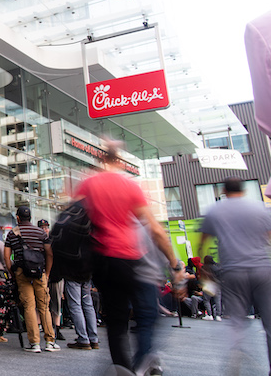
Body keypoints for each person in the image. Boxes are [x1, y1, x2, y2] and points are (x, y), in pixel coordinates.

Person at [75, 140, 181, 374]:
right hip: (128, 257)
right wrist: (174, 264)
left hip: (101, 260)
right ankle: (141, 362)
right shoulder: (129, 186)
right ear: (119, 161)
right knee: (147, 313)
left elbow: (74, 218)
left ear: (101, 159)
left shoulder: (89, 184)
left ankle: (121, 368)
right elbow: (154, 229)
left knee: (116, 320)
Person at [199, 177, 271, 373]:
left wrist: (204, 268)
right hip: (261, 269)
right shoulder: (259, 208)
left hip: (233, 271)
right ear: (244, 190)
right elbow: (269, 237)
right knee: (269, 320)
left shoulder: (215, 210)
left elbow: (203, 241)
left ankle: (236, 352)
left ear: (224, 190)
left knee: (236, 320)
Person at [4, 205, 59, 353]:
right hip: (39, 272)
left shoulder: (12, 234)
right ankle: (50, 341)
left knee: (29, 306)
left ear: (18, 218)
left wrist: (12, 273)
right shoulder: (41, 233)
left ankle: (34, 343)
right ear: (31, 218)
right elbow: (49, 254)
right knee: (44, 306)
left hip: (22, 273)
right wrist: (46, 273)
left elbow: (6, 257)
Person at [39, 218, 66, 341]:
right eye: (42, 228)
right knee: (43, 302)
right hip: (45, 276)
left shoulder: (53, 241)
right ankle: (43, 326)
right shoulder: (40, 242)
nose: (45, 230)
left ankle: (56, 328)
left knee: (56, 303)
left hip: (54, 276)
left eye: (46, 227)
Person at [199, 255, 222, 321]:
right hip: (217, 285)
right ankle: (218, 315)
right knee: (218, 301)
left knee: (206, 300)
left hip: (208, 284)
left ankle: (209, 315)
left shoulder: (204, 267)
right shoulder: (216, 267)